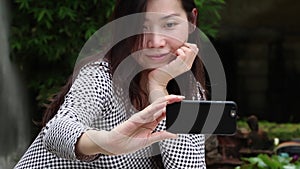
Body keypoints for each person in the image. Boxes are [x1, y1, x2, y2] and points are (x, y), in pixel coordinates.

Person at [15, 0, 207, 168]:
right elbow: (57, 130)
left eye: (170, 24)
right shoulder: (101, 76)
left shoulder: (190, 91)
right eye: (142, 26)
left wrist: (158, 88)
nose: (156, 41)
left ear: (191, 21)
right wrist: (106, 142)